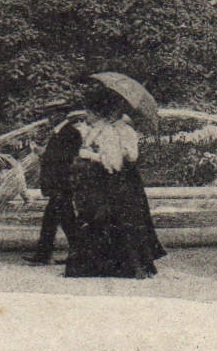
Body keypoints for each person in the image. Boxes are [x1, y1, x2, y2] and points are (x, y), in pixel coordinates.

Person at [64, 86, 165, 279]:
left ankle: (132, 266)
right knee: (108, 220)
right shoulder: (103, 131)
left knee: (121, 219)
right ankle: (116, 265)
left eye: (90, 112)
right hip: (109, 178)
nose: (87, 116)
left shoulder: (121, 131)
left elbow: (119, 160)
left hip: (121, 179)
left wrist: (91, 155)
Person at [25, 104, 84, 266]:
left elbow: (66, 158)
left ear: (61, 115)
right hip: (59, 184)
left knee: (60, 220)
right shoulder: (61, 132)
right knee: (60, 220)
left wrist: (43, 153)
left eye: (51, 114)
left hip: (61, 183)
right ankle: (75, 252)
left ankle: (48, 254)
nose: (49, 118)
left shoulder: (70, 133)